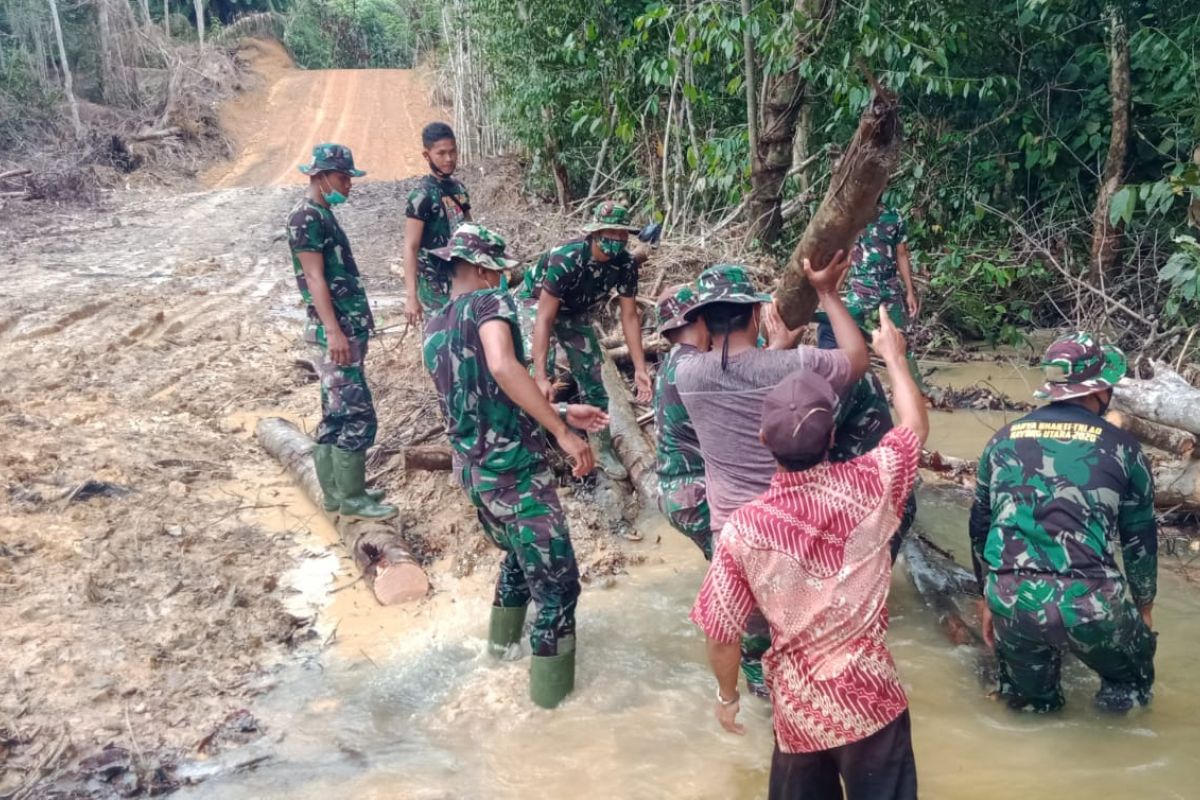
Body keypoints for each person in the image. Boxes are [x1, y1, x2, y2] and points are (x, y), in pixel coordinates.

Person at [691, 308, 927, 800]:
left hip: (800, 712)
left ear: (763, 439)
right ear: (834, 438)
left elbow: (721, 633)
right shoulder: (872, 484)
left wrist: (728, 695)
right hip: (872, 701)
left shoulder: (744, 529)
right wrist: (894, 358)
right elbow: (914, 427)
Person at [423, 222, 610, 709]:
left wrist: (565, 411)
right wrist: (563, 433)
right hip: (514, 471)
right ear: (484, 269)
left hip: (475, 473)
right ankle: (552, 711)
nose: (505, 280)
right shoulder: (490, 303)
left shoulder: (437, 322)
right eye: (500, 271)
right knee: (560, 588)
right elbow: (504, 367)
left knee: (519, 561)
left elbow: (481, 398)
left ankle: (499, 656)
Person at [676, 258, 870, 696]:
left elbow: (732, 371)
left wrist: (772, 350)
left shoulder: (686, 376)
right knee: (808, 639)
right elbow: (858, 360)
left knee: (754, 642)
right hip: (795, 532)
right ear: (756, 313)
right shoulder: (795, 365)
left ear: (704, 322)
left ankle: (762, 715)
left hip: (734, 536)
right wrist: (826, 293)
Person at [969, 332, 1157, 714]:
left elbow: (980, 525)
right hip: (1093, 604)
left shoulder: (1002, 440)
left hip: (1013, 601)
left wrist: (987, 597)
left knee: (1029, 710)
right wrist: (1144, 606)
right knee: (1129, 686)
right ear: (1101, 389)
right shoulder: (1123, 448)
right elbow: (1139, 538)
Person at [286, 143, 396, 521]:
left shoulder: (321, 213)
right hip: (336, 333)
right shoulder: (306, 218)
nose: (349, 184)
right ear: (320, 176)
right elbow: (314, 277)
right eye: (343, 177)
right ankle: (351, 498)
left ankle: (338, 492)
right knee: (358, 416)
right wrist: (334, 331)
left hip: (345, 329)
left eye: (349, 177)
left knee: (335, 413)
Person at [517, 200, 652, 480]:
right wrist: (542, 374)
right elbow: (544, 318)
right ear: (594, 233)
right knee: (539, 378)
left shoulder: (625, 264)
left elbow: (629, 316)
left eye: (621, 235)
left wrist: (640, 368)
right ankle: (533, 448)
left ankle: (602, 449)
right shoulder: (566, 259)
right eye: (608, 234)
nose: (615, 240)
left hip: (575, 311)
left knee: (593, 375)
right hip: (535, 304)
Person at [816, 201, 928, 394]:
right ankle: (840, 386)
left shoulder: (894, 216)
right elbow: (848, 257)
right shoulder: (854, 217)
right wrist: (832, 291)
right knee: (834, 328)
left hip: (889, 289)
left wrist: (910, 291)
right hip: (861, 289)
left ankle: (917, 391)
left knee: (901, 340)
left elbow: (901, 254)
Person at [652, 283, 712, 559]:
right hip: (696, 493)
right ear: (701, 317)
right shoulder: (696, 367)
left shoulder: (670, 363)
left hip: (674, 492)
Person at [403, 122, 471, 324]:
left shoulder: (459, 189)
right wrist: (411, 296)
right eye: (441, 153)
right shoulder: (422, 195)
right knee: (440, 339)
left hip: (462, 278)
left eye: (452, 152)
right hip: (434, 286)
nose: (449, 159)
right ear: (427, 155)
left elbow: (470, 230)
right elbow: (410, 246)